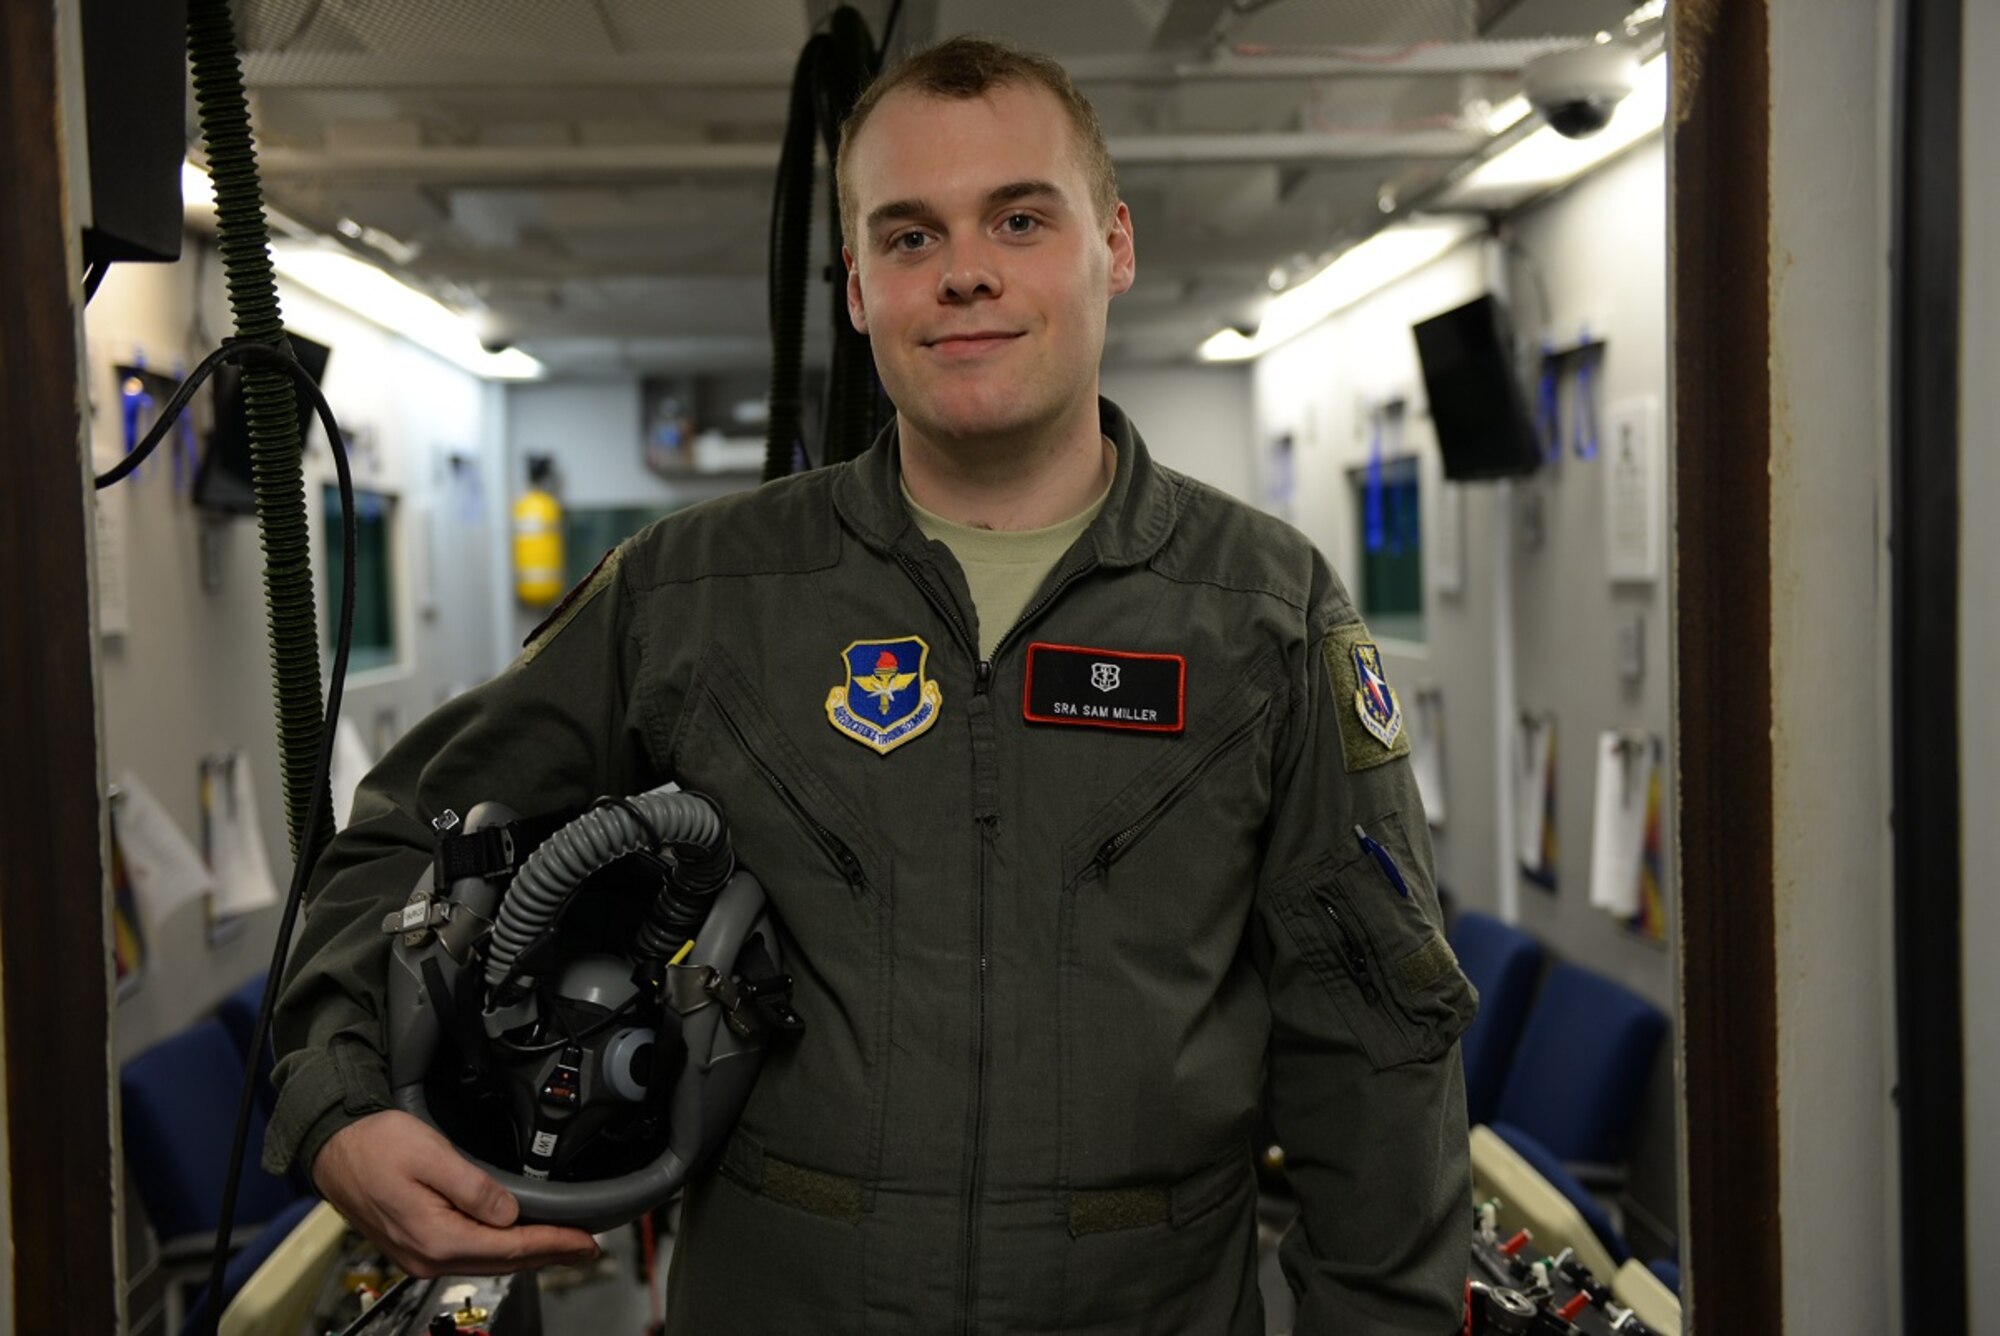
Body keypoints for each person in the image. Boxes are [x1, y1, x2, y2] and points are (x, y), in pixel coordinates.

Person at [269, 35, 1476, 1335]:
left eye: (1020, 218)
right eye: (908, 236)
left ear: (1114, 244)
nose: (964, 271)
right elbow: (404, 837)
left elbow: (1376, 1043)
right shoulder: (696, 594)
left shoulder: (1263, 611)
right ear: (855, 287)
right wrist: (337, 1103)